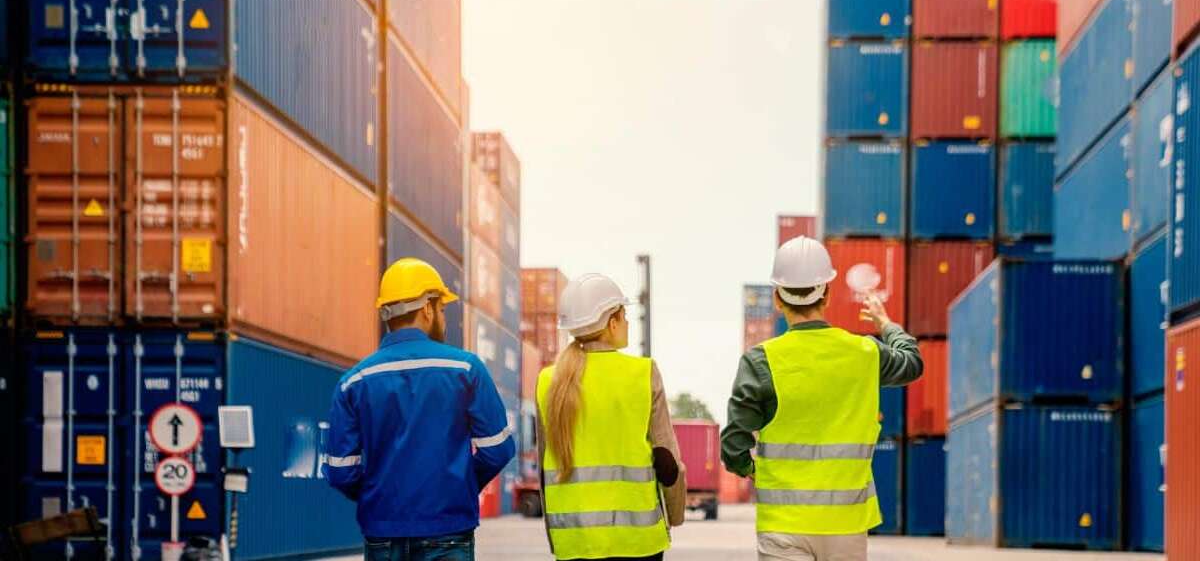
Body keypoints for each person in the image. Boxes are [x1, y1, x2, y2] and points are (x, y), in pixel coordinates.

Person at [721, 237, 923, 561]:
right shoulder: (864, 353)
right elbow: (912, 363)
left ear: (777, 298)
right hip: (846, 525)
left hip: (783, 524)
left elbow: (733, 446)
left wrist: (753, 470)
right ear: (826, 294)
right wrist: (886, 324)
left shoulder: (761, 361)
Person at [325, 258, 516, 561]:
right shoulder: (466, 369)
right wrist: (457, 486)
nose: (443, 318)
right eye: (441, 309)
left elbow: (340, 472)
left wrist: (382, 498)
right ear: (427, 308)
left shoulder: (354, 382)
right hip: (448, 533)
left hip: (382, 536)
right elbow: (499, 450)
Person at [536, 273, 687, 561]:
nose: (628, 322)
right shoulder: (642, 373)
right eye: (624, 314)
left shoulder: (548, 381)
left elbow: (546, 468)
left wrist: (555, 535)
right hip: (637, 540)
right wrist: (675, 515)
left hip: (575, 540)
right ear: (611, 322)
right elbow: (667, 459)